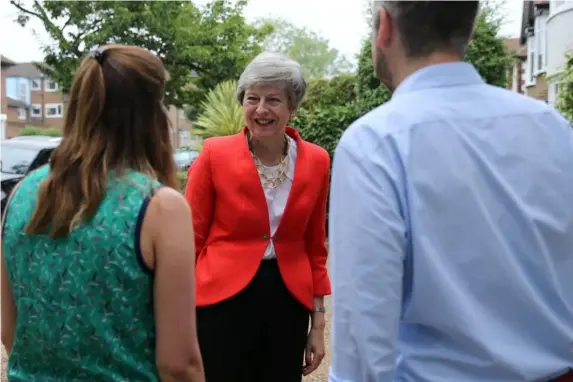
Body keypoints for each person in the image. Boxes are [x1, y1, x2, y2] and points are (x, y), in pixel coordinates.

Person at [329, 1, 573, 382]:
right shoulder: (553, 128)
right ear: (469, 31)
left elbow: (363, 330)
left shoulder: (375, 142)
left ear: (384, 27)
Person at [1, 45, 204, 382]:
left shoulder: (23, 193)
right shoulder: (160, 208)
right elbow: (179, 365)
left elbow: (10, 331)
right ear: (152, 114)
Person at [184, 51, 330, 382]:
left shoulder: (317, 161)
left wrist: (318, 325)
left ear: (292, 106)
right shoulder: (214, 154)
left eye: (273, 100)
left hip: (287, 301)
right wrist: (177, 313)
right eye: (253, 98)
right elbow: (190, 238)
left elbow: (315, 247)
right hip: (220, 299)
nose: (261, 109)